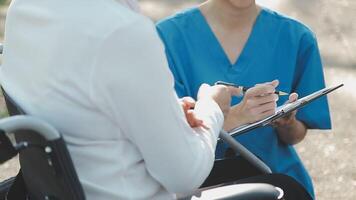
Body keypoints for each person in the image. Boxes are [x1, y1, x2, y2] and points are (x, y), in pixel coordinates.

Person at [0, 0, 317, 200]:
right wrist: (211, 106)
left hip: (61, 185)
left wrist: (162, 110)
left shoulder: (25, 8)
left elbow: (77, 103)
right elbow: (184, 173)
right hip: (125, 188)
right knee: (287, 190)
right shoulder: (123, 33)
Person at [156, 0, 331, 199]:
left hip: (280, 182)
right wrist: (237, 116)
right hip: (200, 187)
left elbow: (295, 136)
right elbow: (166, 142)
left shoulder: (298, 37)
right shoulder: (167, 38)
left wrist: (287, 123)